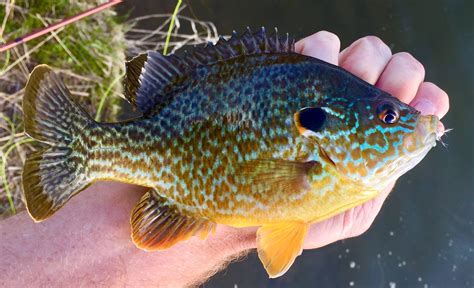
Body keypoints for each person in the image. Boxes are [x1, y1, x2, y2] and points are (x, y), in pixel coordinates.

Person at [0, 31, 449, 287]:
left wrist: (237, 235)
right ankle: (87, 150)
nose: (412, 123)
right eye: (388, 116)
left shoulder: (343, 184)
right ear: (333, 124)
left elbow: (280, 229)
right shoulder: (329, 174)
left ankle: (88, 151)